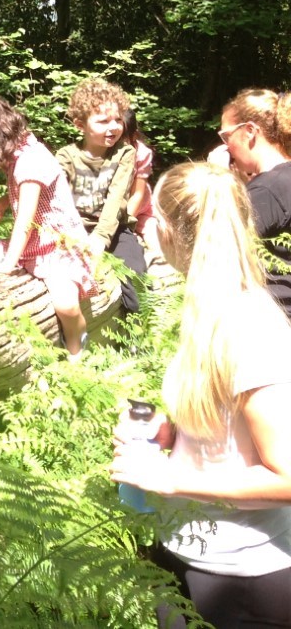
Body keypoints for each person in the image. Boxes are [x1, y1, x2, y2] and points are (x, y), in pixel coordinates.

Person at [110, 162, 291, 629]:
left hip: (245, 579)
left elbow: (286, 478)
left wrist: (172, 479)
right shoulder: (209, 307)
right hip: (188, 554)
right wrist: (169, 435)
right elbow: (226, 431)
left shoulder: (250, 324)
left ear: (166, 229)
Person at [0, 94, 98, 360]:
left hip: (58, 249)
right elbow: (27, 193)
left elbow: (24, 222)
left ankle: (78, 351)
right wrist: (2, 201)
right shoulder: (20, 152)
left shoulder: (30, 160)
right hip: (34, 245)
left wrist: (8, 265)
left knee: (67, 305)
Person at [54, 78, 148, 313]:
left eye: (117, 119)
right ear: (80, 125)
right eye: (103, 121)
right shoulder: (66, 156)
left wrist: (99, 239)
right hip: (75, 230)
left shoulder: (124, 153)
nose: (113, 127)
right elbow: (56, 200)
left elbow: (116, 200)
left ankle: (135, 336)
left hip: (114, 229)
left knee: (135, 276)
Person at [216, 88, 291, 316]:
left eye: (226, 136)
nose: (226, 147)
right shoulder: (277, 183)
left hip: (278, 322)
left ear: (249, 131)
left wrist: (217, 180)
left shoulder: (267, 191)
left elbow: (216, 249)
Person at [123, 105, 156, 242]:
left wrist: (124, 226)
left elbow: (138, 194)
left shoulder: (141, 154)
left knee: (156, 237)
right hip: (111, 211)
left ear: (134, 136)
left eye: (121, 139)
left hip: (142, 210)